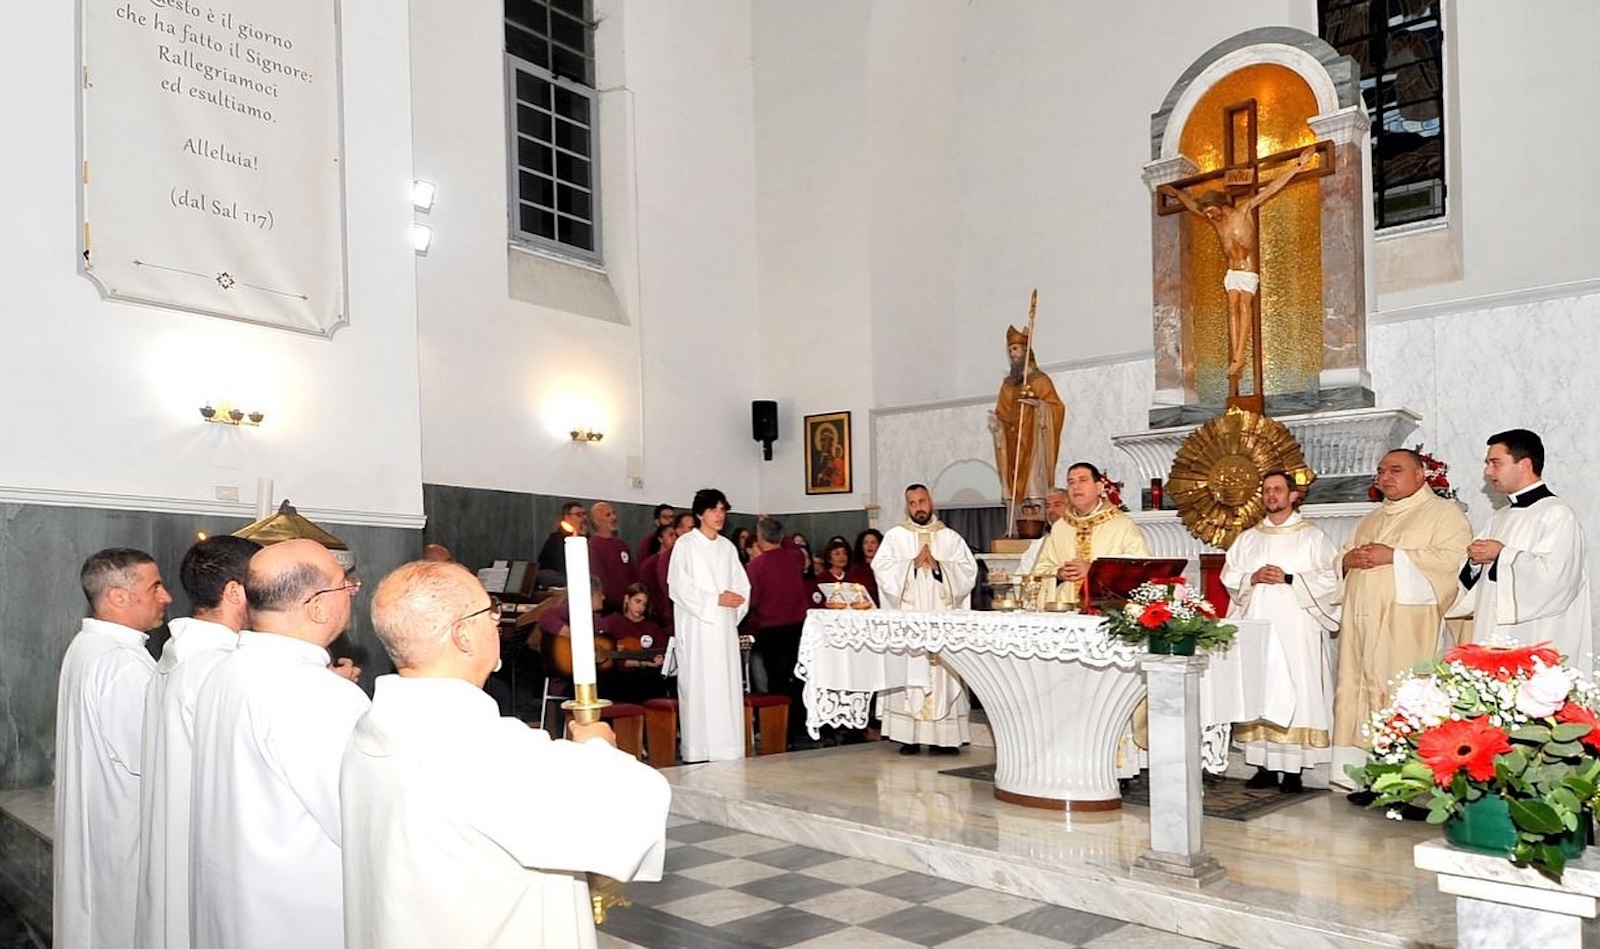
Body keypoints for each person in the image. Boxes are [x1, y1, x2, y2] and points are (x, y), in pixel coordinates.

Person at [342, 561, 669, 949]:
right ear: (463, 635)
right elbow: (630, 809)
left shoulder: (369, 729)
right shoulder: (483, 750)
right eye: (490, 611)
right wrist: (598, 747)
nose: (497, 621)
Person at [189, 539, 372, 949]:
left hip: (233, 905)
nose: (351, 592)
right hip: (299, 917)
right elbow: (360, 821)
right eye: (345, 584)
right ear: (318, 606)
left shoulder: (221, 673)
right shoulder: (322, 694)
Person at [136, 535, 260, 949]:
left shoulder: (179, 653)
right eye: (261, 586)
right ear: (236, 592)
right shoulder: (218, 666)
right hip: (209, 847)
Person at [1332, 449, 1472, 792]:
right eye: (1381, 471)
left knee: (1402, 693)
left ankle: (1407, 783)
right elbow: (1340, 558)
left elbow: (1453, 564)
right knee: (1361, 692)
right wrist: (1347, 561)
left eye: (1395, 470)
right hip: (1362, 627)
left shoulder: (1444, 514)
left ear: (1421, 474)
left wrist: (1394, 557)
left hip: (1408, 627)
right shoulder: (1371, 518)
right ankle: (1367, 778)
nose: (1385, 477)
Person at [55, 548, 170, 949]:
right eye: (155, 587)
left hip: (101, 831)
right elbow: (153, 757)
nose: (166, 596)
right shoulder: (122, 664)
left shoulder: (87, 646)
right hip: (122, 837)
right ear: (118, 596)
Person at [1220, 471, 1339, 794]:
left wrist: (1290, 579)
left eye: (1278, 489)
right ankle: (1264, 766)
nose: (1271, 495)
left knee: (1297, 686)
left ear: (1293, 495)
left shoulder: (1312, 537)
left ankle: (1293, 771)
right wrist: (1251, 578)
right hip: (1260, 625)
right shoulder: (1248, 539)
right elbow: (1230, 576)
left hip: (1297, 629)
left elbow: (1331, 579)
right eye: (1266, 490)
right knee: (1261, 686)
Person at [1159, 146, 1318, 381]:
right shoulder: (1217, 222)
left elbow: (1271, 189)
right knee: (1232, 308)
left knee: (1244, 306)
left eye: (1212, 211)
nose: (1210, 216)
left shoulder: (1243, 211)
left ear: (1221, 204)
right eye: (1208, 214)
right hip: (1232, 272)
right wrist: (1176, 193)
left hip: (1247, 270)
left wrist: (1298, 166)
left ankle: (1240, 354)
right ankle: (1236, 356)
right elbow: (1192, 205)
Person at [1453, 429, 1592, 669]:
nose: (1488, 472)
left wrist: (1502, 555)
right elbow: (1477, 582)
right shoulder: (1499, 517)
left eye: (1495, 463)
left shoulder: (1557, 514)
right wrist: (1475, 562)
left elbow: (1557, 579)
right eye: (1488, 464)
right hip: (1492, 630)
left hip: (1535, 633)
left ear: (1524, 464)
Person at [872, 484, 979, 755]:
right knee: (910, 671)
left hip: (941, 620)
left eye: (922, 501)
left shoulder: (950, 538)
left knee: (944, 673)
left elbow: (968, 572)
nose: (918, 507)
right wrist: (911, 565)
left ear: (931, 502)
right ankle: (909, 737)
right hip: (910, 621)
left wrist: (940, 567)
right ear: (906, 506)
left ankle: (944, 739)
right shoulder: (895, 537)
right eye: (912, 503)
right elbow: (881, 570)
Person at [668, 488, 750, 762]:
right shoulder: (686, 545)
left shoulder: (727, 548)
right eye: (714, 509)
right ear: (700, 513)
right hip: (698, 629)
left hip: (724, 629)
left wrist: (735, 601)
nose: (719, 515)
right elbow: (679, 587)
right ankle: (699, 749)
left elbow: (742, 585)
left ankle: (728, 747)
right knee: (700, 686)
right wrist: (715, 600)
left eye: (723, 510)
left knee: (725, 685)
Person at [1033, 463, 1150, 608]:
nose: (1076, 487)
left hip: (1106, 608)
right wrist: (1059, 574)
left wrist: (1094, 571)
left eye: (1083, 480)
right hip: (1066, 608)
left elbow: (1139, 570)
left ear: (1099, 487)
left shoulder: (1122, 524)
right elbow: (1041, 570)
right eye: (1071, 482)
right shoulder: (1061, 527)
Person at [743, 517, 813, 746]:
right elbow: (794, 546)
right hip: (799, 629)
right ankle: (801, 729)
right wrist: (784, 535)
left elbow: (752, 601)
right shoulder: (794, 557)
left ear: (760, 538)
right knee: (799, 680)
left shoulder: (756, 566)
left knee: (776, 684)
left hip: (772, 631)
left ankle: (781, 734)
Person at [991, 325, 1067, 506]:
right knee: (1013, 483)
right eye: (1010, 350)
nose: (1013, 354)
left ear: (1026, 350)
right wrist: (998, 426)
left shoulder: (1040, 380)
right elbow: (1001, 414)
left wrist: (1040, 406)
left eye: (1015, 349)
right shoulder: (1008, 385)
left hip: (1034, 443)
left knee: (1033, 484)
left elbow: (1057, 408)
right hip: (1013, 445)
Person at [587, 501, 637, 613]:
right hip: (609, 608)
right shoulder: (593, 546)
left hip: (628, 607)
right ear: (596, 521)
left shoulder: (621, 545)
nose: (614, 518)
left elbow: (633, 574)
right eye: (608, 515)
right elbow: (599, 579)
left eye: (614, 513)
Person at [1017, 486, 1070, 575]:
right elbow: (1023, 575)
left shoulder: (1081, 537)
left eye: (1057, 505)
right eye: (1048, 506)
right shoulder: (1039, 545)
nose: (1051, 510)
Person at [536, 501, 587, 586]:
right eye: (579, 515)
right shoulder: (557, 539)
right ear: (567, 517)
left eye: (585, 514)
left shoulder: (585, 537)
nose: (584, 518)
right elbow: (562, 567)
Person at [852, 529, 883, 606]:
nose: (869, 546)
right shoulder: (855, 569)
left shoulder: (886, 568)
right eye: (865, 543)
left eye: (873, 542)